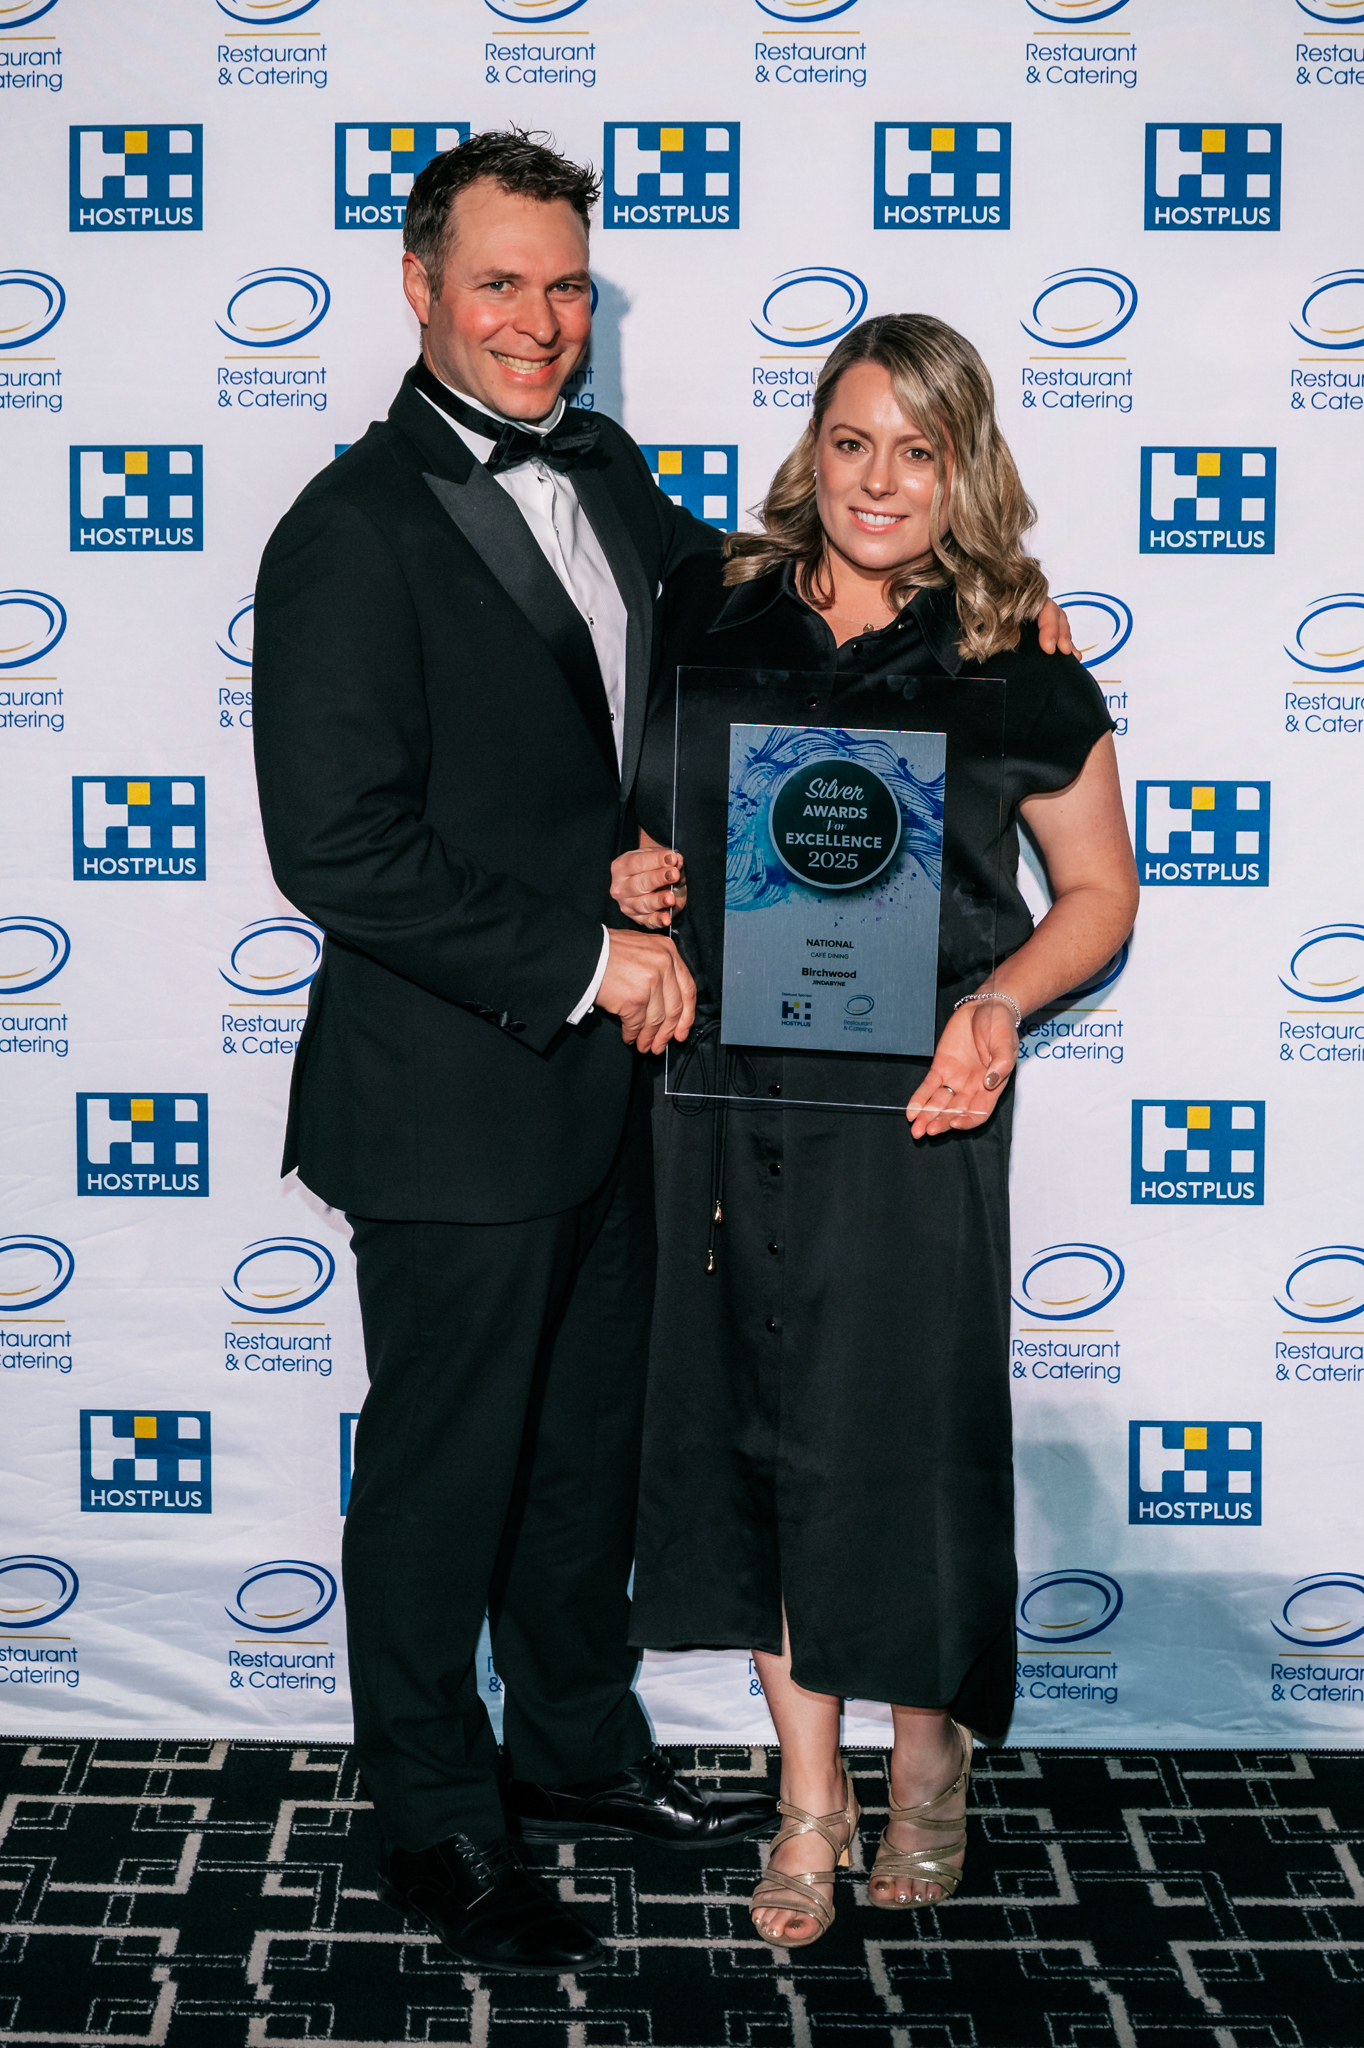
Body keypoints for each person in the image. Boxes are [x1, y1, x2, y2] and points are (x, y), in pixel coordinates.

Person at [250, 129, 782, 1978]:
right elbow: (339, 845)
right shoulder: (348, 528)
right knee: (445, 1471)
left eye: (566, 285)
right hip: (454, 1096)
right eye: (501, 284)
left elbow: (699, 653)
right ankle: (433, 1817)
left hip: (618, 1091)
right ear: (419, 287)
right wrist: (586, 950)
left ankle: (570, 1750)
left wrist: (953, 615)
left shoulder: (613, 472)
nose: (541, 324)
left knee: (585, 1455)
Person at [611, 314, 1139, 1949]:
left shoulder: (1018, 656)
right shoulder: (712, 608)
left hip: (919, 1112)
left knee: (900, 1455)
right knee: (755, 1442)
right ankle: (808, 1796)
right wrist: (630, 874)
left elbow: (1101, 896)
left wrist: (998, 1011)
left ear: (963, 463)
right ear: (812, 449)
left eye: (919, 448)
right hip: (719, 1105)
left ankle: (926, 1772)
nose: (881, 480)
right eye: (854, 442)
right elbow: (649, 808)